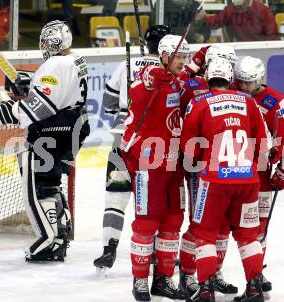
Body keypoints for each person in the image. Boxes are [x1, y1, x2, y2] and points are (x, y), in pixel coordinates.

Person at [0, 20, 90, 261]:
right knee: (51, 182)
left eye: (51, 41)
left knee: (38, 184)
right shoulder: (76, 60)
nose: (46, 45)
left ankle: (48, 241)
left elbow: (39, 107)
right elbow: (58, 86)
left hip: (53, 131)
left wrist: (0, 113)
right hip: (74, 128)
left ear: (60, 41)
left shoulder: (53, 66)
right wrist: (29, 80)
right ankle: (60, 235)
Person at [180, 58, 269, 302]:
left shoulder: (199, 102)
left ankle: (206, 289)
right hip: (248, 179)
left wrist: (194, 163)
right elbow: (263, 141)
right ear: (230, 79)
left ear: (208, 78)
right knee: (249, 236)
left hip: (215, 180)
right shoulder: (249, 101)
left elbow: (189, 148)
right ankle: (254, 289)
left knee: (205, 234)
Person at [93, 25, 173, 274]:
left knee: (115, 197)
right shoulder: (169, 73)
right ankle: (155, 253)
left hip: (122, 140)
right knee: (153, 204)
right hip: (154, 146)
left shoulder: (126, 65)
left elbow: (107, 106)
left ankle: (108, 251)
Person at [121, 34, 190, 301]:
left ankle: (163, 278)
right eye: (177, 56)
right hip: (147, 161)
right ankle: (140, 281)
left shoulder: (176, 82)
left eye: (184, 56)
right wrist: (152, 76)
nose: (181, 61)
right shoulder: (149, 78)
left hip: (173, 161)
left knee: (173, 220)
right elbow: (143, 83)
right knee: (147, 223)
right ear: (162, 55)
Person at [178, 44, 241, 301]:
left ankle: (213, 273)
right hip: (199, 164)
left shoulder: (234, 90)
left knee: (223, 226)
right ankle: (188, 275)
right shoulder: (192, 86)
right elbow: (175, 87)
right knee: (199, 224)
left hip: (229, 167)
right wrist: (193, 63)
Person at [233, 56, 284, 298]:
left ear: (259, 79)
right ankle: (214, 277)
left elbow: (283, 138)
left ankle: (255, 275)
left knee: (258, 229)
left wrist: (280, 163)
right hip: (231, 169)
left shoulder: (276, 101)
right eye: (239, 81)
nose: (242, 87)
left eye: (248, 83)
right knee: (221, 229)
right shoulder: (232, 92)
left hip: (259, 173)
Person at [194, 0, 278, 42]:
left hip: (260, 49)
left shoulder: (262, 10)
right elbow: (215, 21)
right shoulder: (231, 9)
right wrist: (202, 17)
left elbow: (272, 36)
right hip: (240, 49)